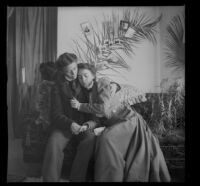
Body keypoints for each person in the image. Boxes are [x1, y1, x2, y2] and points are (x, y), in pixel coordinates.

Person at [70, 63, 171, 182]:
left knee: (106, 138)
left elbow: (103, 108)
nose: (82, 79)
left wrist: (80, 106)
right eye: (80, 77)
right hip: (114, 123)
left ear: (93, 75)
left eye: (86, 75)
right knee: (105, 140)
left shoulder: (102, 82)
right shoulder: (86, 96)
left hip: (128, 119)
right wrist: (86, 126)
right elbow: (97, 119)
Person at [41, 53, 99, 182]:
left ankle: (76, 178)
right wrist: (70, 124)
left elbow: (100, 84)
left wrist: (115, 85)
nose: (74, 73)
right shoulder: (57, 86)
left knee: (89, 140)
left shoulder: (84, 76)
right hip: (65, 126)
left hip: (85, 125)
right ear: (62, 71)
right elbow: (56, 115)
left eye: (74, 68)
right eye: (69, 71)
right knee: (54, 143)